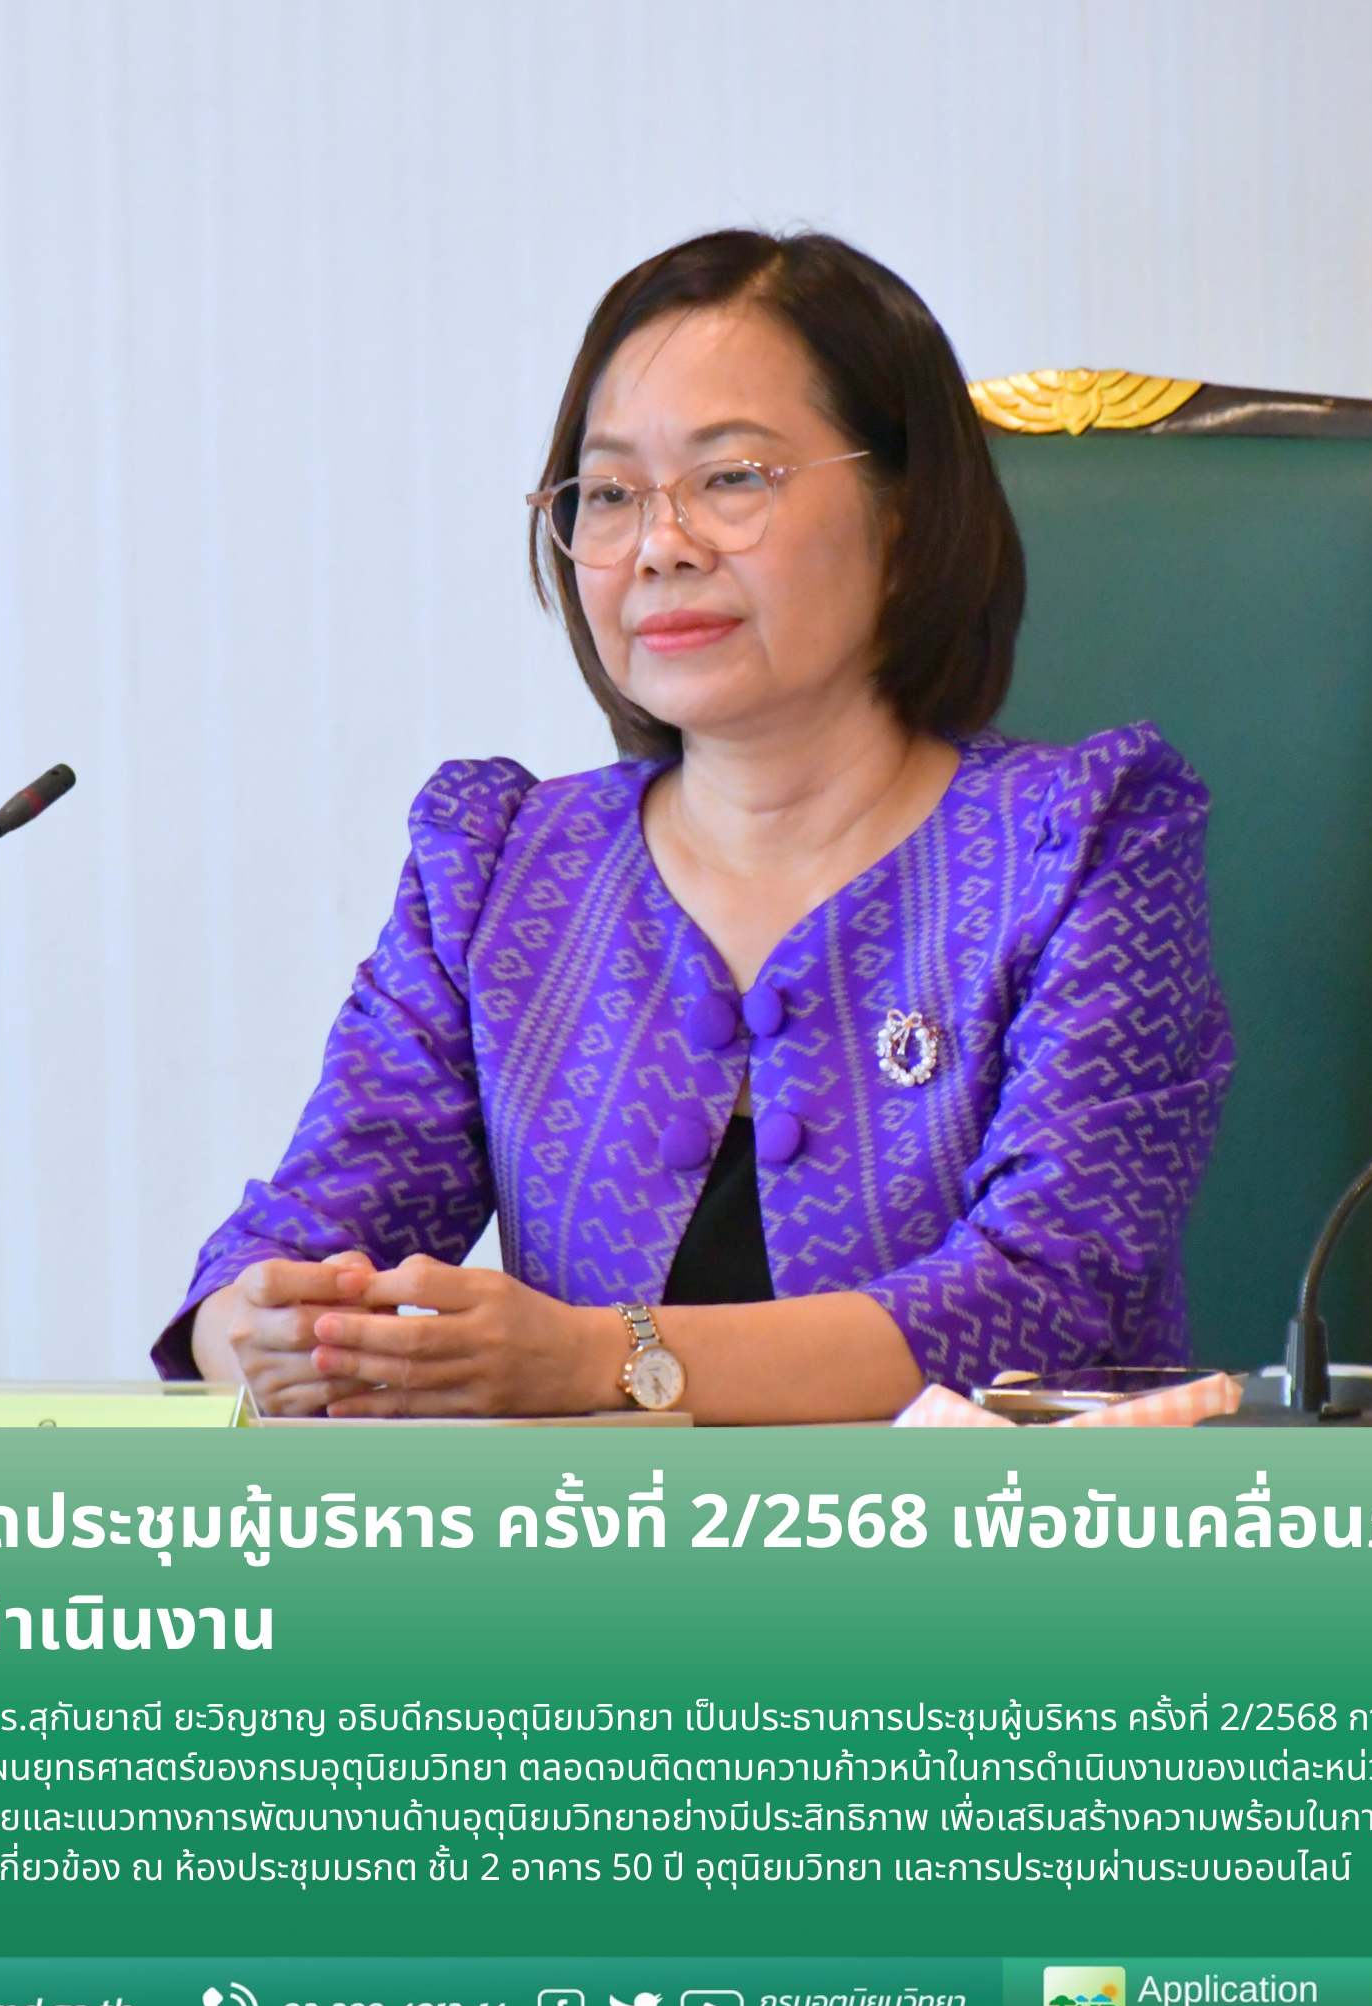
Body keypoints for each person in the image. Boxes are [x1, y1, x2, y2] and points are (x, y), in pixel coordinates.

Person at [153, 229, 1233, 1422]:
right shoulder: (496, 867)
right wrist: (258, 1329)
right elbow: (297, 1237)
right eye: (609, 495)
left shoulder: (1078, 843)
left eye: (730, 478)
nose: (658, 545)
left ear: (903, 514)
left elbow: (1049, 1297)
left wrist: (596, 1359)